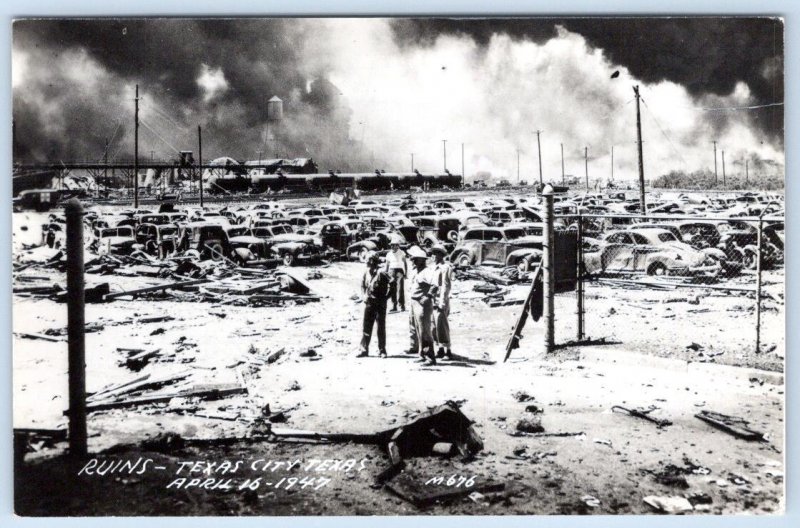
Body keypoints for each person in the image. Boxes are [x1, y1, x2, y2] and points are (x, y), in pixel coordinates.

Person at [406, 245, 438, 366]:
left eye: (414, 258)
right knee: (418, 330)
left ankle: (430, 357)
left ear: (420, 260)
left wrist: (428, 296)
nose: (412, 260)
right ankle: (422, 354)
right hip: (415, 302)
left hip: (422, 303)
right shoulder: (416, 271)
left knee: (425, 331)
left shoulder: (427, 272)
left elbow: (435, 285)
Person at [358, 252, 391, 358]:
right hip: (369, 303)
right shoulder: (366, 272)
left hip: (380, 303)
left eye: (367, 260)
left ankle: (382, 350)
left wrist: (387, 296)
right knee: (366, 326)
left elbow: (393, 283)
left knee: (380, 327)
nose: (366, 262)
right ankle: (364, 350)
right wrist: (364, 296)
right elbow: (362, 285)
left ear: (372, 261)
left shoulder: (381, 272)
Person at [430, 244, 453, 359]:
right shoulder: (433, 267)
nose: (433, 256)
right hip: (433, 300)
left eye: (436, 253)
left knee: (442, 325)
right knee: (434, 326)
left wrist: (442, 302)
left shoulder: (445, 267)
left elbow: (445, 285)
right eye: (433, 253)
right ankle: (439, 349)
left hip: (440, 300)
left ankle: (448, 350)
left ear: (441, 255)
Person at [385, 236, 408, 312]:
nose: (393, 246)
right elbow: (387, 265)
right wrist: (386, 274)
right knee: (392, 289)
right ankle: (394, 306)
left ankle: (402, 306)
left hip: (399, 271)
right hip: (391, 271)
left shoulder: (401, 252)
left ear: (398, 245)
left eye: (394, 245)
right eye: (392, 245)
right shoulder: (388, 254)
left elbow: (405, 263)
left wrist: (406, 273)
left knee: (400, 289)